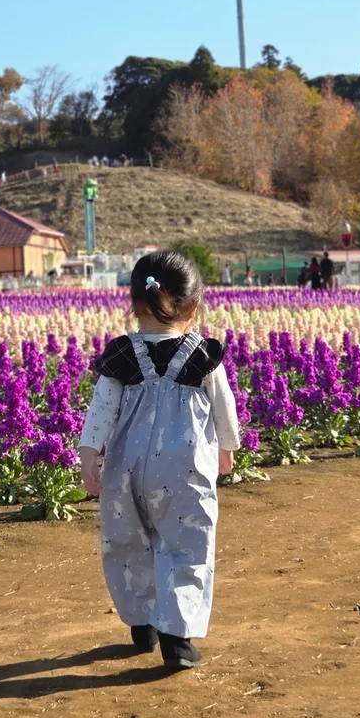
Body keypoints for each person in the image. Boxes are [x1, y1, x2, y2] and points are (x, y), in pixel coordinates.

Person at [79, 250, 240, 672]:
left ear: (133, 303)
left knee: (129, 543)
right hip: (183, 468)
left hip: (125, 471)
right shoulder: (202, 355)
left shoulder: (119, 356)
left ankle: (142, 623)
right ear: (193, 306)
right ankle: (177, 635)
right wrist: (227, 449)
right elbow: (224, 408)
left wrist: (88, 458)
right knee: (186, 544)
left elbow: (100, 412)